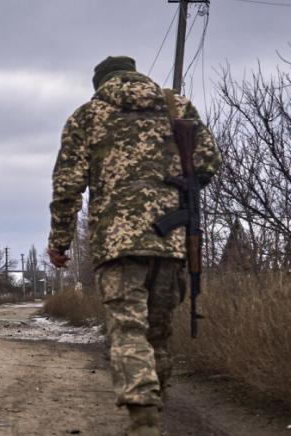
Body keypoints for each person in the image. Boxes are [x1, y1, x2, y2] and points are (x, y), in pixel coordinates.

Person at [48, 56, 221, 436]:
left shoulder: (87, 116)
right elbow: (208, 163)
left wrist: (59, 240)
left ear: (100, 84)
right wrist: (172, 187)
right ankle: (156, 404)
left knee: (127, 329)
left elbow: (67, 186)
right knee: (158, 334)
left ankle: (144, 418)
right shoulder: (176, 106)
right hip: (171, 241)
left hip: (118, 243)